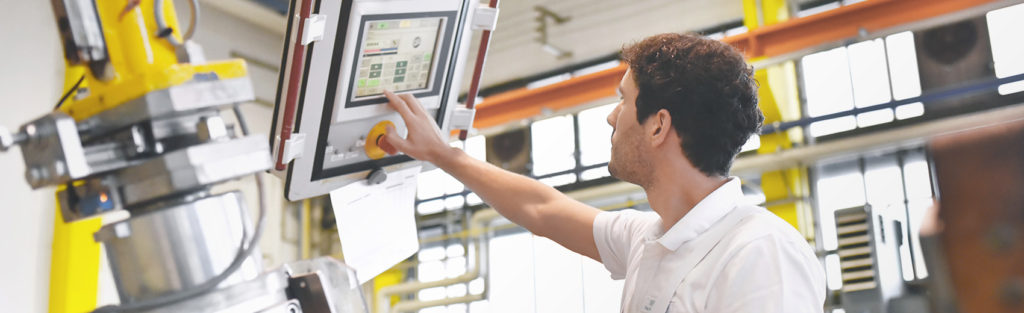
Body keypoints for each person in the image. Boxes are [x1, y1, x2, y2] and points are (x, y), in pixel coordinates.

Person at [379, 33, 825, 313]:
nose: (611, 118)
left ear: (658, 125)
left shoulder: (760, 254)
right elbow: (541, 207)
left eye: (623, 100)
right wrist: (443, 154)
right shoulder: (651, 239)